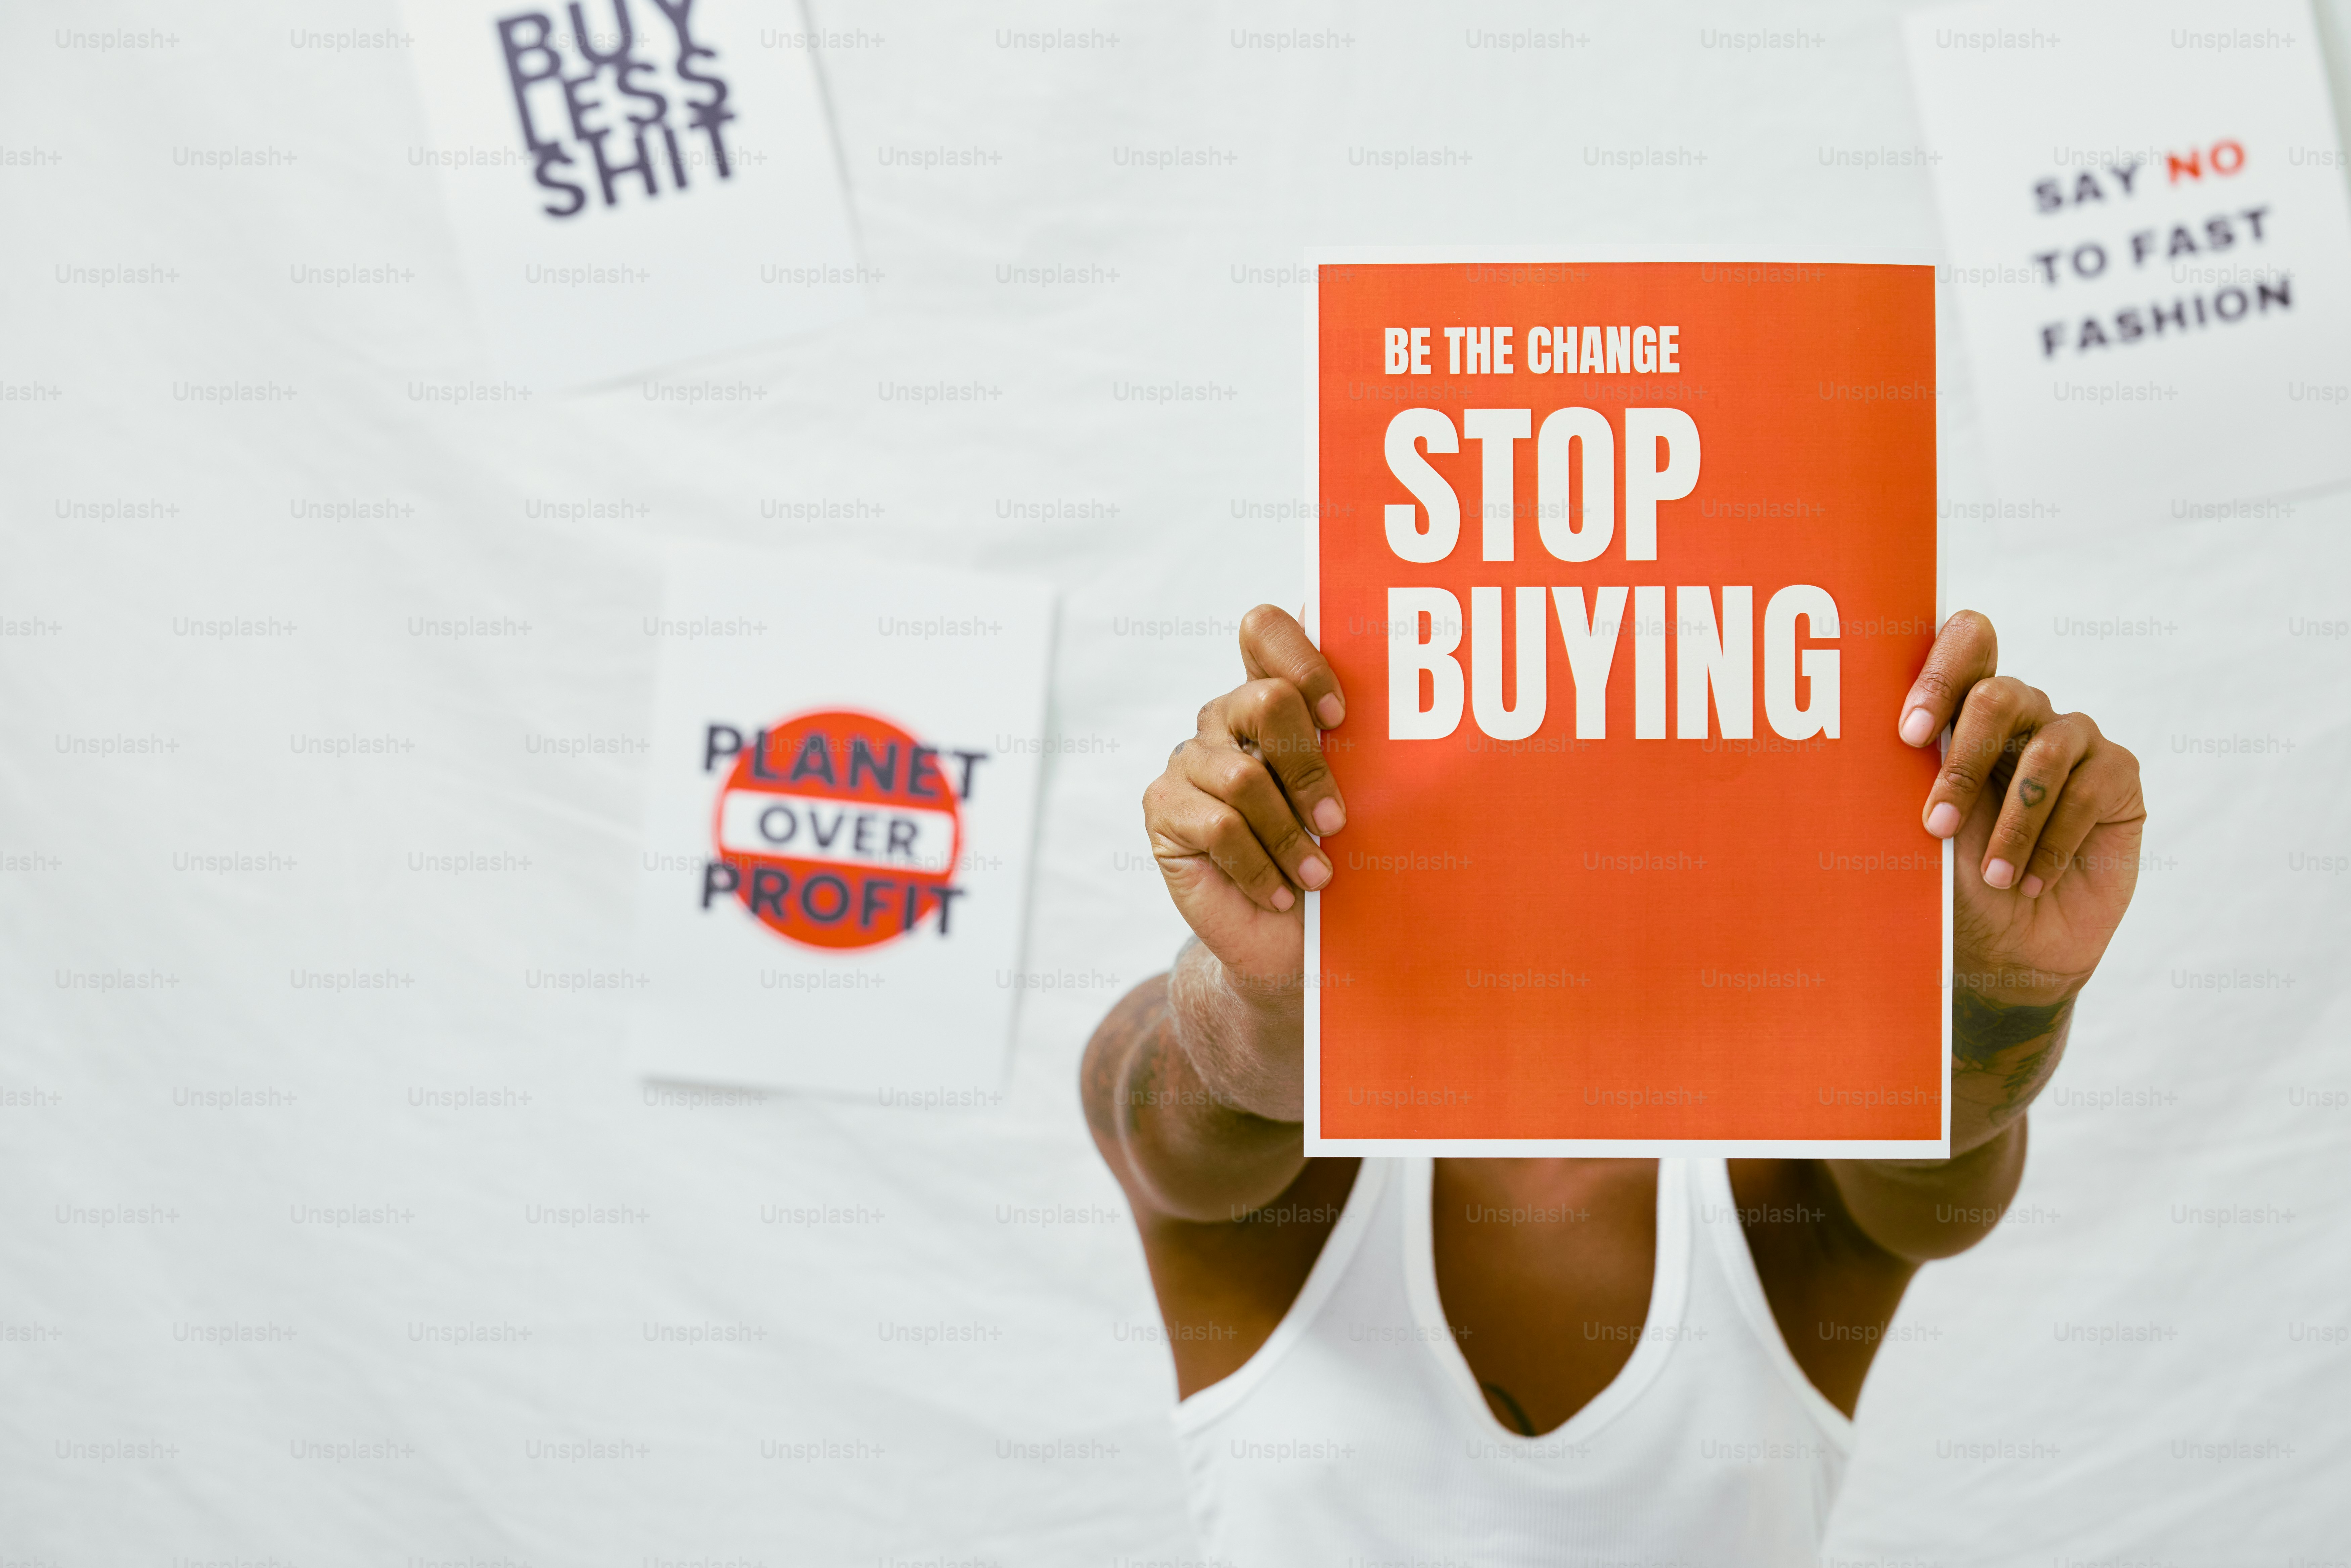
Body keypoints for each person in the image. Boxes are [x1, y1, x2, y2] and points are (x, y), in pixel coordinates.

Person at [1080, 604, 2145, 1565]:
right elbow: (1187, 1121)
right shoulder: (1295, 1136)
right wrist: (1278, 1001)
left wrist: (1999, 992)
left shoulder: (1781, 1130)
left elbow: (1940, 1151)